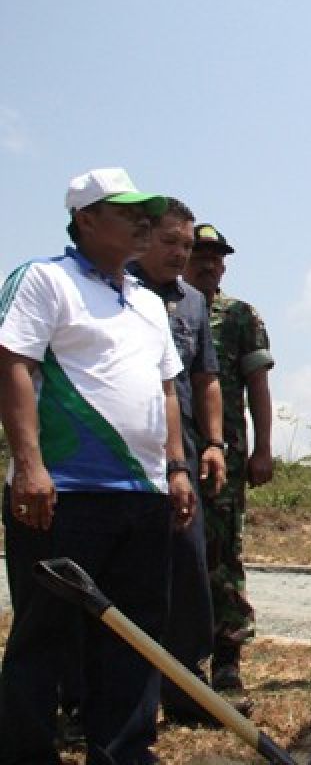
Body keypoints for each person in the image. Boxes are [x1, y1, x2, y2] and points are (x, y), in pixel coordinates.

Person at [0, 167, 194, 764]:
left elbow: (166, 390)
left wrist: (177, 469)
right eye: (127, 211)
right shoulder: (44, 280)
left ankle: (123, 752)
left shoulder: (146, 302)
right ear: (86, 219)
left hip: (141, 493)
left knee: (134, 633)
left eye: (147, 213)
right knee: (46, 634)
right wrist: (29, 466)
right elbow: (12, 366)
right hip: (67, 493)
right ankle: (28, 753)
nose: (143, 222)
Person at [130, 198, 227, 723]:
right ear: (142, 237)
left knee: (189, 573)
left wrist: (213, 444)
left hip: (182, 454)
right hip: (124, 453)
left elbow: (204, 376)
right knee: (124, 578)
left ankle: (189, 695)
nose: (180, 253)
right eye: (171, 242)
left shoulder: (192, 302)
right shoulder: (115, 289)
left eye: (186, 246)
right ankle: (94, 698)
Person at [183, 223, 274, 697]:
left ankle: (227, 662)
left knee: (222, 559)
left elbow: (258, 384)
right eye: (200, 254)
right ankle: (175, 663)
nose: (209, 263)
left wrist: (263, 447)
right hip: (168, 452)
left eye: (217, 257)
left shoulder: (239, 315)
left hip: (226, 457)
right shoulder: (161, 307)